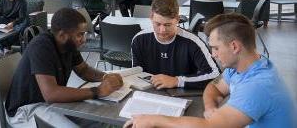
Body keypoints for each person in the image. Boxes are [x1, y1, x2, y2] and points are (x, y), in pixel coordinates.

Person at [124, 13, 296, 128]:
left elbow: (210, 127)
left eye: (215, 48)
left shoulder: (258, 86)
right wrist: (210, 106)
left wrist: (152, 119)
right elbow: (214, 87)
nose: (213, 55)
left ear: (234, 46)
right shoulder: (243, 66)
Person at [5, 8, 124, 127]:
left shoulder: (69, 45)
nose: (84, 39)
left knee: (101, 121)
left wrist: (106, 77)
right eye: (80, 35)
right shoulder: (41, 47)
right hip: (27, 109)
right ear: (62, 35)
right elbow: (51, 94)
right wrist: (97, 91)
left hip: (51, 103)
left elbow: (83, 70)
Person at [132, 0, 219, 89]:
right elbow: (136, 73)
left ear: (177, 20)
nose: (162, 30)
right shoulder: (139, 39)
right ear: (151, 18)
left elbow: (215, 75)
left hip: (181, 93)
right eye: (157, 24)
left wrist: (177, 81)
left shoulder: (193, 42)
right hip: (149, 92)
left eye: (168, 25)